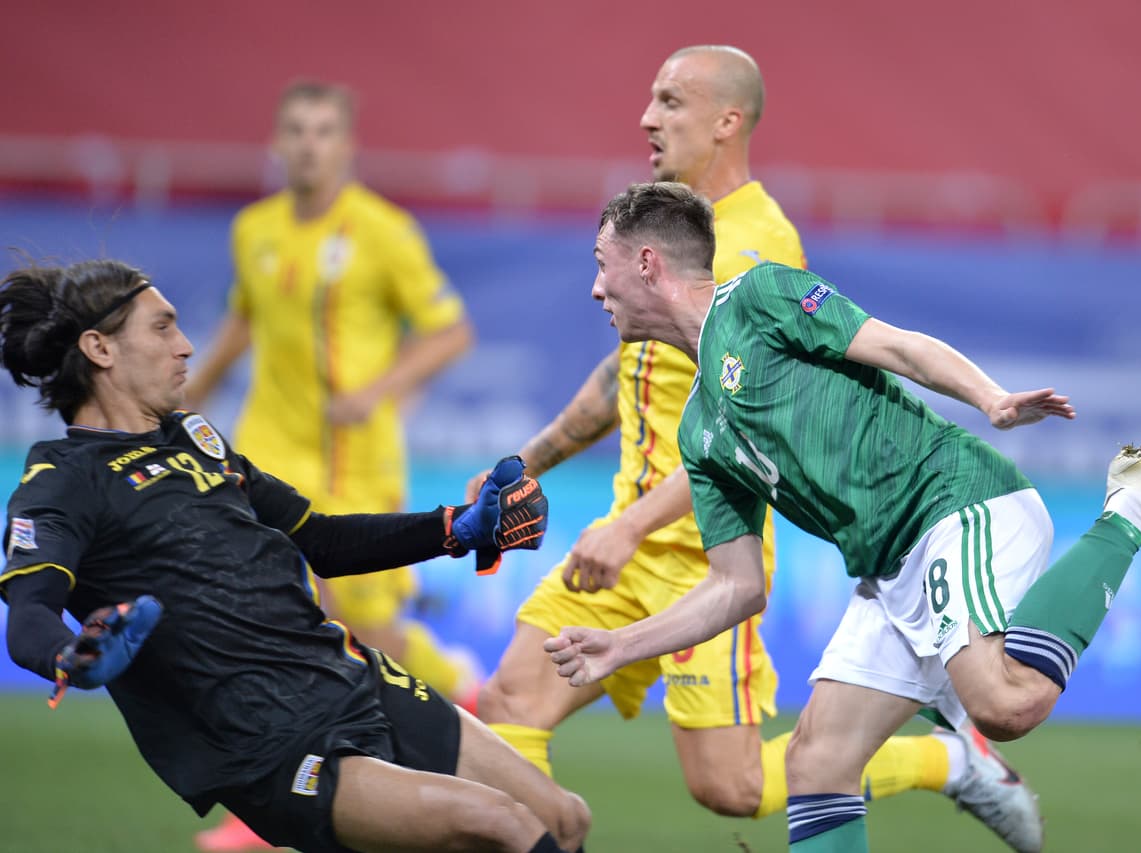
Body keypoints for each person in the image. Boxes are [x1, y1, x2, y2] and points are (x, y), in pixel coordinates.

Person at [544, 181, 1141, 853]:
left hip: (955, 501)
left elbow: (895, 344)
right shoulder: (700, 429)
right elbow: (737, 586)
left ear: (647, 262)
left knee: (1004, 703)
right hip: (889, 569)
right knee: (817, 760)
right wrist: (619, 646)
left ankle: (1133, 505)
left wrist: (991, 399)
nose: (595, 287)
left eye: (602, 265)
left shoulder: (758, 298)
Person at [473, 44, 1043, 852]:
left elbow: (751, 429)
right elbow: (619, 376)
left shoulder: (757, 245)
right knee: (508, 706)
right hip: (618, 539)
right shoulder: (660, 232)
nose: (647, 117)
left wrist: (635, 525)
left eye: (671, 101)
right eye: (651, 99)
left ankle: (943, 759)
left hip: (701, 547)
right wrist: (526, 464)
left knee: (731, 786)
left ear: (726, 120)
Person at [0, 260, 587, 853]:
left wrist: (458, 528)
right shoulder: (60, 482)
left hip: (350, 676)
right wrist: (71, 656)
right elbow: (28, 613)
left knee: (564, 820)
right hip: (273, 743)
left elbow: (321, 540)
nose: (185, 347)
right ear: (99, 348)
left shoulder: (193, 439)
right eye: (161, 329)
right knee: (503, 826)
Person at [184, 79, 481, 851]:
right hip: (269, 459)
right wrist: (176, 406)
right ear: (277, 143)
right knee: (271, 621)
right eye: (296, 130)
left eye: (323, 130)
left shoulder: (384, 232)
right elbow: (242, 322)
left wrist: (378, 390)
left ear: (347, 145)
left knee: (365, 630)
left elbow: (449, 332)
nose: (309, 143)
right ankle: (270, 807)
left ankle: (457, 686)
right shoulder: (253, 230)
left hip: (358, 464)